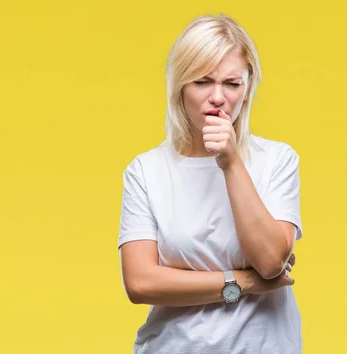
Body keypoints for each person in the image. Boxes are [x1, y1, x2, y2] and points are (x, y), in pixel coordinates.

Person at [117, 14, 303, 353]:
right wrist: (242, 282)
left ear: (247, 89)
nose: (217, 97)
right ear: (180, 87)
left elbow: (271, 261)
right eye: (203, 82)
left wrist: (231, 162)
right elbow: (141, 282)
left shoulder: (277, 160)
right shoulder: (146, 170)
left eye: (232, 84)